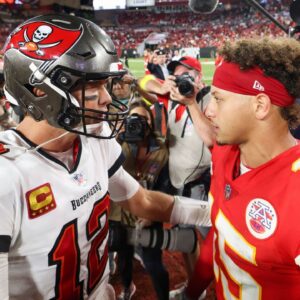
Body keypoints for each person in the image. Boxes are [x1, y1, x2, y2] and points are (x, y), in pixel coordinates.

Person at [0, 14, 210, 300]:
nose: (107, 98)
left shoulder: (91, 140)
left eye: (105, 84)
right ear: (40, 91)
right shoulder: (7, 173)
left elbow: (142, 201)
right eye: (92, 85)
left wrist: (215, 214)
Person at [170, 37, 300, 299]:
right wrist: (192, 292)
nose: (210, 111)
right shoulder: (227, 154)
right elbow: (220, 238)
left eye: (218, 99)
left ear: (260, 105)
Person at [110, 100, 169, 300]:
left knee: (153, 263)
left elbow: (165, 186)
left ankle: (164, 297)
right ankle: (127, 288)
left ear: (151, 122)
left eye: (143, 118)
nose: (138, 122)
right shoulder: (117, 144)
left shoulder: (161, 149)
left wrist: (153, 216)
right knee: (124, 259)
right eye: (133, 118)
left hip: (149, 213)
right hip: (121, 215)